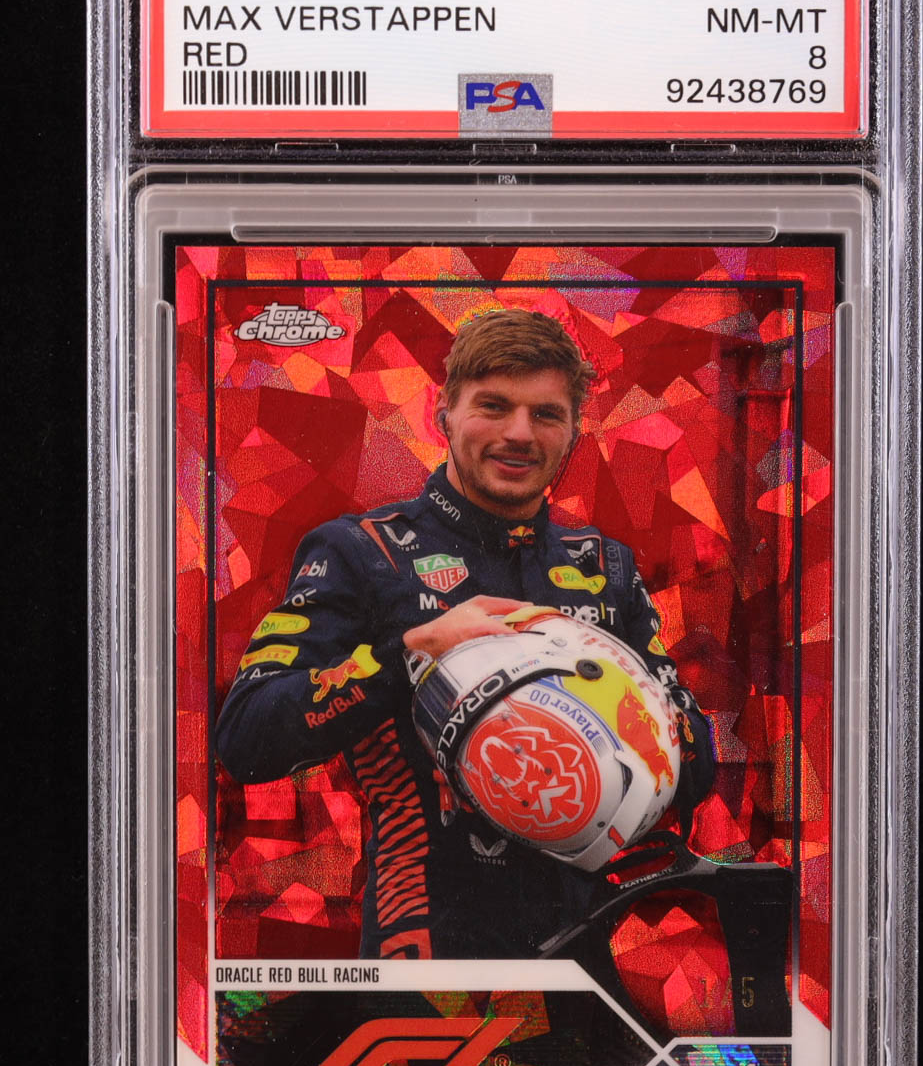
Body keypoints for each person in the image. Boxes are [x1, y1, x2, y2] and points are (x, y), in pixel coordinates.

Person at [216, 310, 714, 962]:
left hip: (586, 954)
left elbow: (694, 758)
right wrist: (408, 656)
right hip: (424, 947)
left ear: (572, 432)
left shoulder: (603, 566)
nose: (519, 433)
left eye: (546, 414)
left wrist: (624, 718)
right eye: (494, 406)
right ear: (443, 416)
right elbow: (245, 737)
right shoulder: (361, 552)